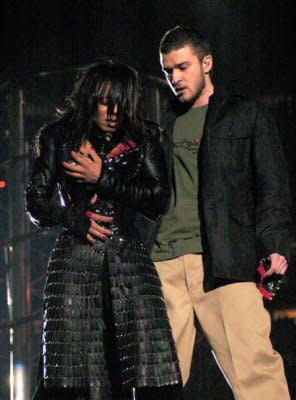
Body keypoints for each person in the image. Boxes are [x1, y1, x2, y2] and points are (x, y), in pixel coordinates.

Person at [149, 25, 291, 399]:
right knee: (157, 382)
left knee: (256, 375)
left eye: (182, 67)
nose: (175, 78)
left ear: (207, 62)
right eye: (168, 71)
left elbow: (272, 184)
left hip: (223, 260)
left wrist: (275, 244)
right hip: (163, 264)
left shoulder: (245, 114)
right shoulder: (163, 125)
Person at [25, 61, 183, 400]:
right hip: (75, 266)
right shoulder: (59, 136)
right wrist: (73, 219)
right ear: (90, 99)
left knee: (148, 373)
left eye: (122, 103)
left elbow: (158, 201)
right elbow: (35, 203)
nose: (114, 112)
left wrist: (103, 179)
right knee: (68, 375)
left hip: (131, 266)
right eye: (106, 101)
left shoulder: (144, 136)